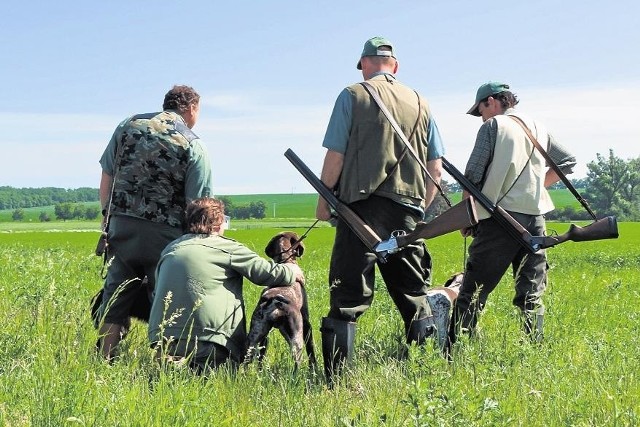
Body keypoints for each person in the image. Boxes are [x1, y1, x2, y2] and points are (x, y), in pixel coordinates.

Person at [315, 36, 446, 383]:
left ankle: (336, 381)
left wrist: (325, 199)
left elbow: (336, 156)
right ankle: (425, 373)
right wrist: (419, 210)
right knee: (414, 293)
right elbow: (436, 169)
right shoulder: (421, 102)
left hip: (359, 209)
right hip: (408, 210)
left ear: (364, 64)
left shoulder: (352, 95)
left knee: (347, 296)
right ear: (395, 66)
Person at [447, 82, 576, 350]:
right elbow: (567, 161)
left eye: (480, 110)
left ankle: (455, 350)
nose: (480, 117)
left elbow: (472, 176)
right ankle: (535, 347)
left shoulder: (493, 126)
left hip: (499, 219)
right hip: (535, 218)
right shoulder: (538, 127)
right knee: (531, 292)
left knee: (472, 292)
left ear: (491, 102)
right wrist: (536, 187)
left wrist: (467, 217)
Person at [96, 85, 213, 360]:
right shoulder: (193, 143)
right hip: (166, 236)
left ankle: (104, 359)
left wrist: (107, 218)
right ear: (192, 108)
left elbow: (107, 174)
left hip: (121, 227)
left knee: (115, 297)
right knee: (167, 300)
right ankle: (161, 367)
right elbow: (199, 205)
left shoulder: (128, 125)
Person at [148, 197, 304, 373]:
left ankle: (175, 365)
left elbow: (155, 293)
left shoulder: (170, 249)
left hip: (163, 340)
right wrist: (292, 270)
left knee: (177, 375)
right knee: (213, 373)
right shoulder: (227, 248)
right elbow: (267, 274)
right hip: (212, 340)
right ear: (217, 224)